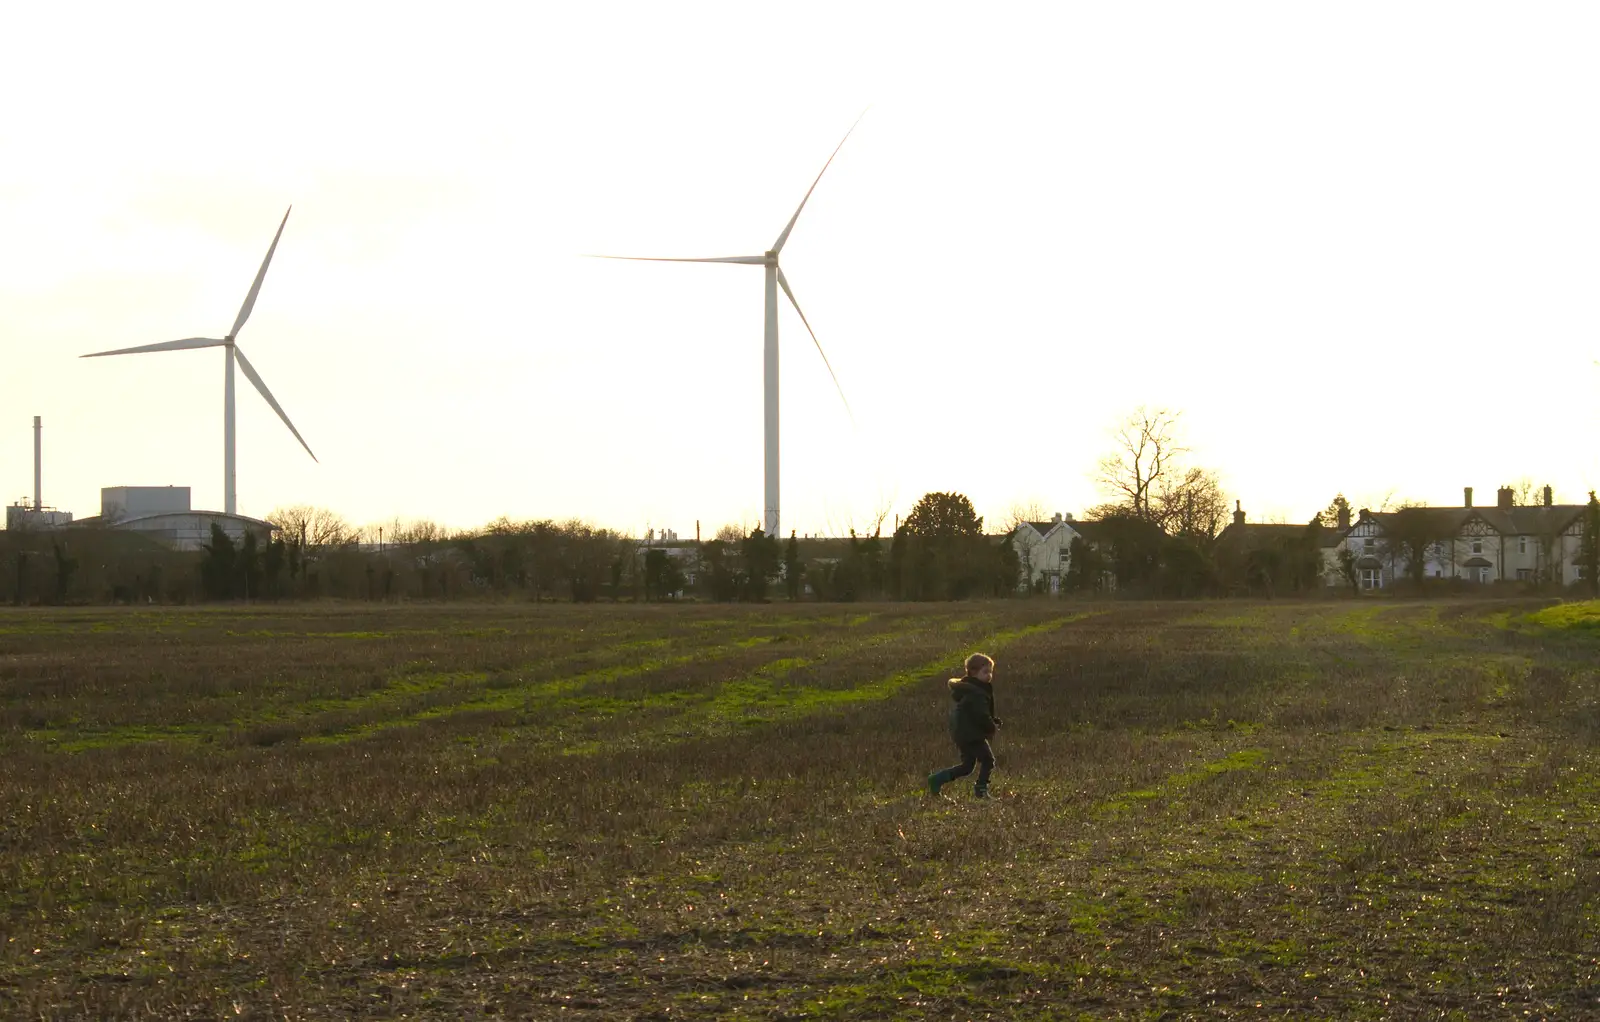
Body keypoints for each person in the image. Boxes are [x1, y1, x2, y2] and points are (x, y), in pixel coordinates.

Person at [927, 652, 1001, 799]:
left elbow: (980, 713)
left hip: (964, 734)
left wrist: (993, 720)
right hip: (971, 735)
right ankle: (981, 790)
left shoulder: (972, 689)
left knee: (967, 767)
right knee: (988, 760)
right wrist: (991, 726)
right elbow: (981, 715)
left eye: (990, 672)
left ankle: (937, 779)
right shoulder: (976, 692)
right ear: (973, 672)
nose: (989, 676)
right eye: (985, 672)